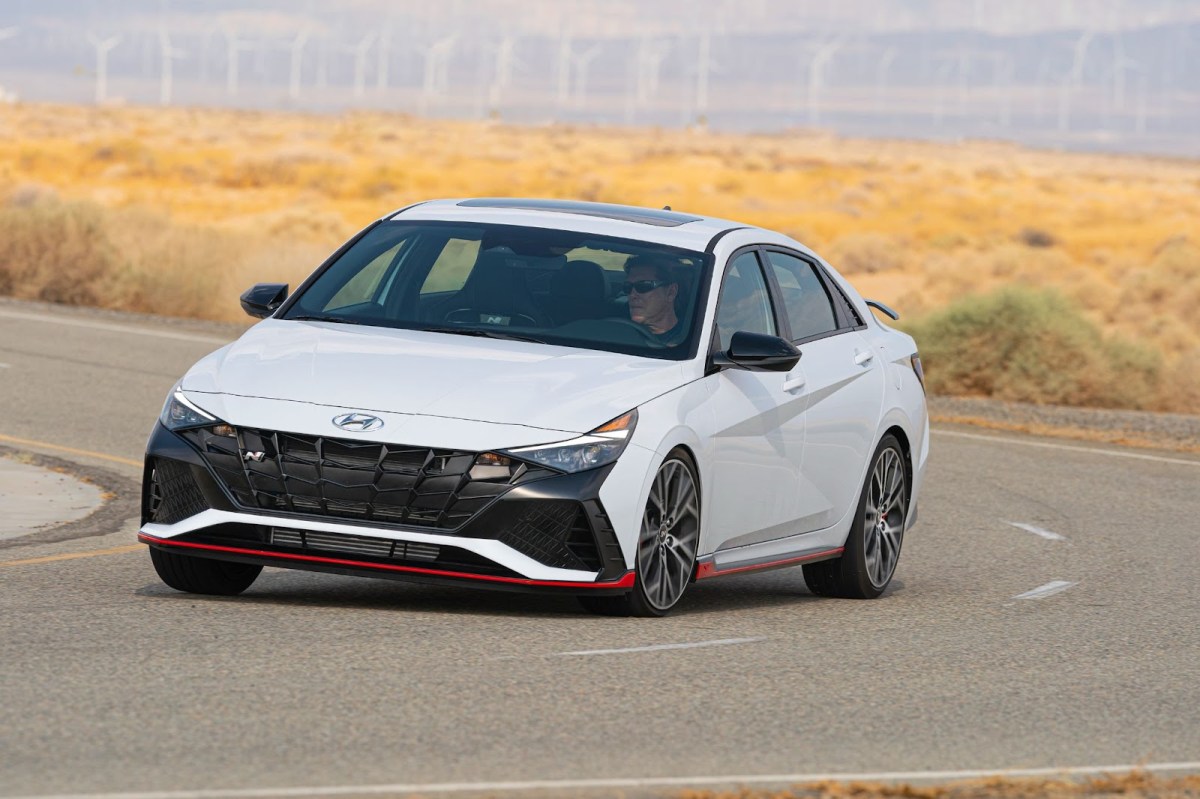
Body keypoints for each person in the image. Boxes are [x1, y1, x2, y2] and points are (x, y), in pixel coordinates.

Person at [624, 254, 682, 340]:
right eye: (627, 286)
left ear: (671, 292)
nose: (632, 295)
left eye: (643, 286)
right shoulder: (618, 333)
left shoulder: (694, 340)